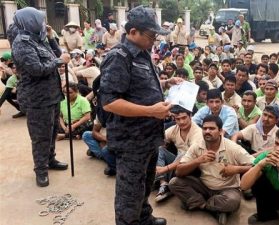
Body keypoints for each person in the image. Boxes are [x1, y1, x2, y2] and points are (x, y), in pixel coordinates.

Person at [100, 6, 182, 225]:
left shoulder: (143, 53)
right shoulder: (119, 57)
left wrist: (166, 82)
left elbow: (139, 86)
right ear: (133, 31)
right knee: (130, 191)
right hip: (131, 140)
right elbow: (109, 102)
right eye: (151, 35)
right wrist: (150, 111)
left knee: (145, 182)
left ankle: (144, 217)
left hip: (149, 136)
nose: (154, 40)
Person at [10, 7, 70, 187]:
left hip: (51, 95)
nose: (43, 24)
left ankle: (50, 160)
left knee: (52, 132)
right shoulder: (22, 43)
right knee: (40, 136)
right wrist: (59, 62)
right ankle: (41, 170)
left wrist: (51, 37)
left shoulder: (39, 38)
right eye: (40, 21)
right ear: (30, 22)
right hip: (37, 98)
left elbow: (58, 54)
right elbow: (37, 69)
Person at [169, 115, 254, 225]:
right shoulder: (197, 146)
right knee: (174, 183)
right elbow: (179, 172)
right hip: (204, 186)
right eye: (204, 128)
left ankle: (196, 203)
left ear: (220, 131)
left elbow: (255, 165)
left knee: (233, 202)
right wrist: (198, 160)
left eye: (212, 128)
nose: (207, 131)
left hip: (228, 189)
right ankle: (212, 209)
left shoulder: (232, 147)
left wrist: (236, 169)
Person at [155, 105, 202, 202]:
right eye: (178, 119)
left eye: (184, 118)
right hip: (176, 164)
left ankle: (162, 178)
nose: (181, 122)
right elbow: (159, 141)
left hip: (193, 166)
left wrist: (164, 169)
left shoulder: (197, 132)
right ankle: (163, 183)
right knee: (159, 149)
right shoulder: (174, 129)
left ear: (190, 116)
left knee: (184, 154)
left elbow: (190, 155)